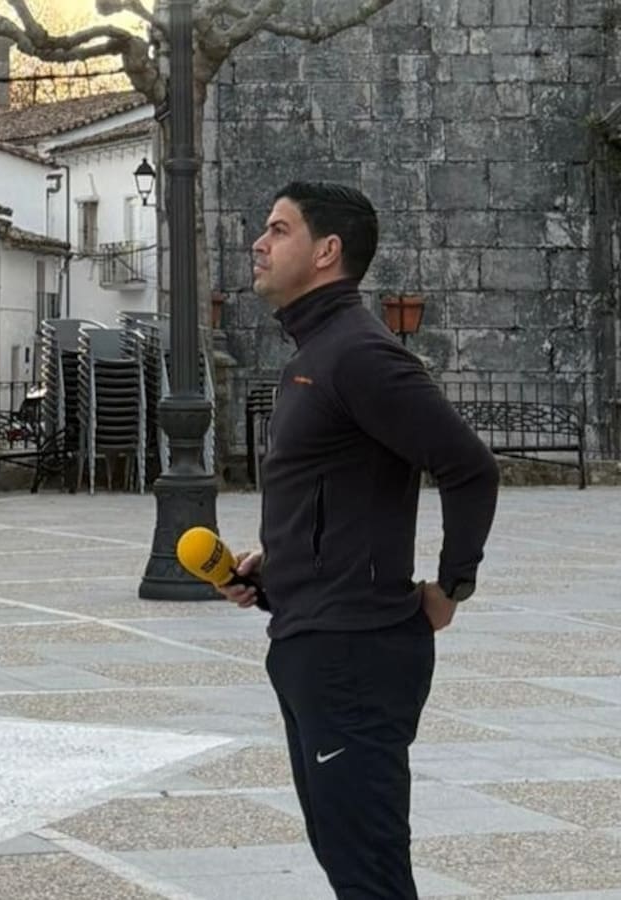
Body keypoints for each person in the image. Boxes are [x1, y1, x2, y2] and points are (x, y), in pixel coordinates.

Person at [220, 182, 499, 899]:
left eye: (279, 229)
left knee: (369, 873)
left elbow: (468, 466)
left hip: (355, 651)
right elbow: (338, 494)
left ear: (327, 251)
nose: (260, 242)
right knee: (349, 863)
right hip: (313, 639)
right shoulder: (316, 352)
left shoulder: (361, 355)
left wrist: (452, 586)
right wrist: (273, 565)